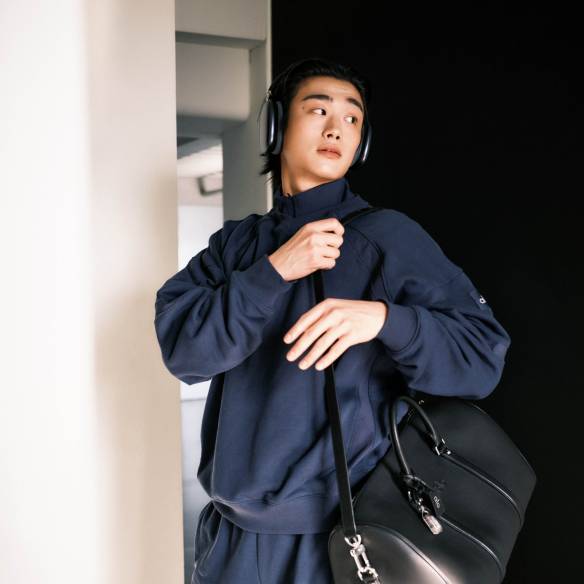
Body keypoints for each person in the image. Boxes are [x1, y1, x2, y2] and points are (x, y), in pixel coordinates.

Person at [154, 57, 512, 584]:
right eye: (318, 110)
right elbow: (185, 354)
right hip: (230, 540)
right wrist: (275, 271)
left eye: (352, 118)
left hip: (338, 542)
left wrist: (386, 320)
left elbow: (482, 357)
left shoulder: (387, 237)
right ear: (276, 126)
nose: (335, 129)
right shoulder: (236, 245)